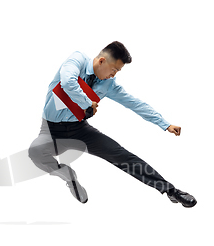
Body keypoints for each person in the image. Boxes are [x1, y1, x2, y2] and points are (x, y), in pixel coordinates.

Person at [28, 41, 197, 208]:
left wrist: (165, 124)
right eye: (114, 69)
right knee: (35, 152)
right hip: (51, 129)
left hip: (79, 130)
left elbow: (134, 103)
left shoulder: (108, 85)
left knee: (123, 156)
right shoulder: (77, 60)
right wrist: (87, 103)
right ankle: (67, 175)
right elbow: (67, 82)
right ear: (102, 61)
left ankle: (171, 191)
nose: (114, 75)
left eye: (118, 71)